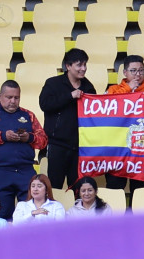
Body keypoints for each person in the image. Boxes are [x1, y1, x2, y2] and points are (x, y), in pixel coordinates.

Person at [0, 81, 47, 220]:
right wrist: (2, 136)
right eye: (9, 97)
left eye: (16, 97)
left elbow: (43, 141)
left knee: (31, 213)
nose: (13, 101)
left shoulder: (28, 115)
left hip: (25, 171)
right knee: (0, 213)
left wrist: (29, 138)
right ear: (0, 96)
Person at [105, 55, 144, 194]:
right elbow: (106, 110)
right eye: (133, 71)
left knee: (140, 191)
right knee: (114, 188)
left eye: (141, 70)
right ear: (125, 72)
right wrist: (127, 89)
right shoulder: (113, 89)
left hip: (142, 149)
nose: (138, 74)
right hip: (117, 150)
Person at [39, 48, 96, 190]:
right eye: (79, 65)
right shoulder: (53, 83)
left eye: (85, 65)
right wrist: (69, 96)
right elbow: (45, 104)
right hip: (57, 144)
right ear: (68, 66)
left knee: (77, 188)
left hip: (79, 146)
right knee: (55, 186)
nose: (83, 69)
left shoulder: (89, 87)